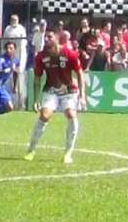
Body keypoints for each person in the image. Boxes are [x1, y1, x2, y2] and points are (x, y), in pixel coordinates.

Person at [25, 36, 86, 164]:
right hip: (51, 90)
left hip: (69, 91)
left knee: (71, 114)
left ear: (57, 44)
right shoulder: (41, 56)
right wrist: (36, 99)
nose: (48, 51)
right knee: (44, 115)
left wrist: (82, 96)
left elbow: (80, 74)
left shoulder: (70, 54)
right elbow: (37, 78)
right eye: (46, 48)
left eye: (50, 48)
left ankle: (68, 153)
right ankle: (31, 150)